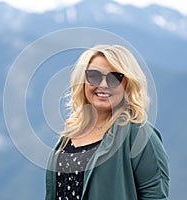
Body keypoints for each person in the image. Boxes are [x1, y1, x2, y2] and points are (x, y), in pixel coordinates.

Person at [45, 44, 170, 200]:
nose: (103, 84)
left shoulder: (140, 135)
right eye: (94, 76)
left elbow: (156, 196)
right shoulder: (71, 133)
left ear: (127, 84)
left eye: (114, 78)